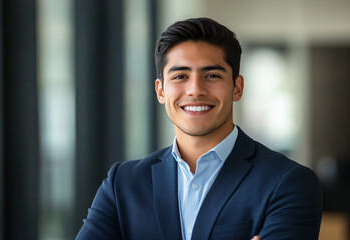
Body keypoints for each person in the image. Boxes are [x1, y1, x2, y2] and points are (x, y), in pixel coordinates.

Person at [76, 17, 322, 240]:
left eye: (212, 76)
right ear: (161, 91)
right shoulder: (123, 184)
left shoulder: (288, 183)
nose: (195, 89)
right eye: (180, 76)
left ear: (237, 88)